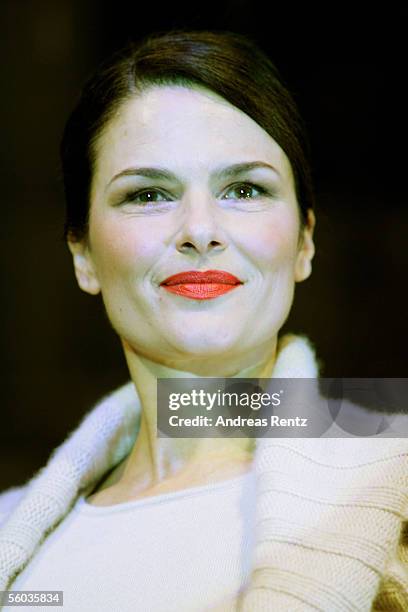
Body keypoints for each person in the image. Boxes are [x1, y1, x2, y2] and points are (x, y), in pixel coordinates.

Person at [0, 30, 407, 612]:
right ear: (82, 254)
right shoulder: (14, 535)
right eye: (147, 195)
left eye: (244, 188)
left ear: (304, 243)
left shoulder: (392, 491)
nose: (199, 229)